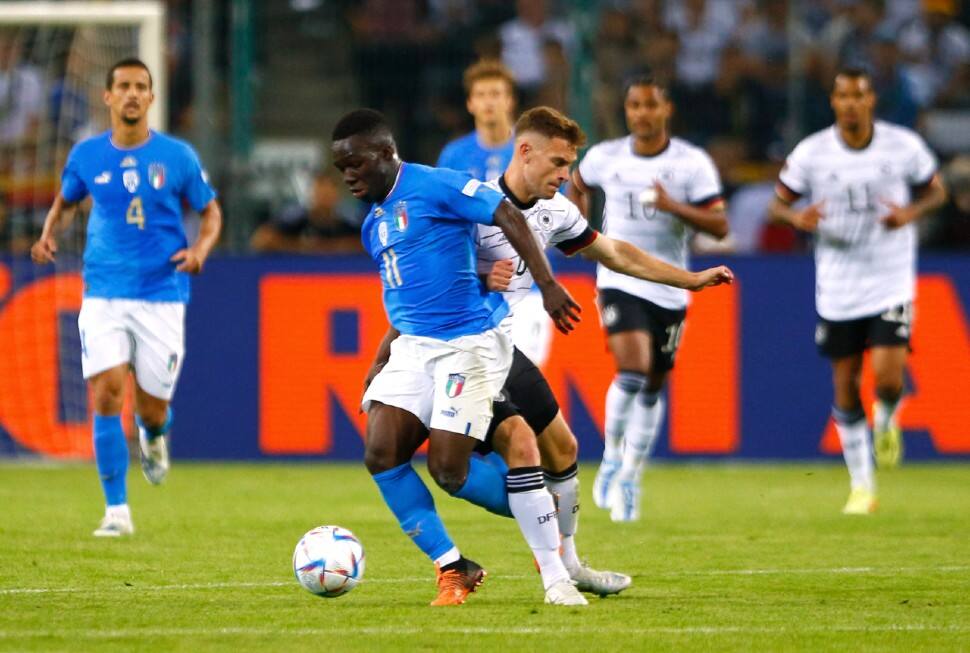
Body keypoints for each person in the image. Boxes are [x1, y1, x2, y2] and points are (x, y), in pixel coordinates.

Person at [331, 108, 588, 606]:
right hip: (414, 348)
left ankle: (545, 531)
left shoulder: (435, 185)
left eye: (355, 163)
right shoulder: (374, 225)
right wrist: (380, 361)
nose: (348, 176)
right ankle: (455, 566)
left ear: (385, 153)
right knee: (381, 453)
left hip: (468, 343)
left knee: (450, 470)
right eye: (340, 167)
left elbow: (506, 212)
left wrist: (549, 283)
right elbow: (406, 303)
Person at [475, 107, 731, 588]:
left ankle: (569, 566)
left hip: (502, 348)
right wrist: (479, 277)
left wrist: (690, 279)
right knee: (480, 460)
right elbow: (428, 278)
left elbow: (615, 252)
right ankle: (522, 568)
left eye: (570, 165)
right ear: (525, 151)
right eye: (557, 163)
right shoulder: (474, 206)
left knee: (564, 449)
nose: (566, 175)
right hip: (461, 351)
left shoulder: (555, 210)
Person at [30, 58, 222, 536]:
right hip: (104, 292)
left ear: (152, 98)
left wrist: (199, 248)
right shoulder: (87, 155)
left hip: (162, 293)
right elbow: (66, 201)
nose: (133, 94)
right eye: (124, 86)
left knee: (151, 407)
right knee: (108, 391)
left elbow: (211, 211)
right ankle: (117, 510)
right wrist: (49, 234)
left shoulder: (177, 156)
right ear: (108, 97)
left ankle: (155, 434)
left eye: (141, 87)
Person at [769, 68, 946, 514]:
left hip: (890, 278)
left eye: (859, 95)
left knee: (887, 377)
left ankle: (887, 416)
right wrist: (797, 219)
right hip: (838, 283)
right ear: (833, 101)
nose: (851, 103)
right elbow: (778, 204)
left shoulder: (902, 146)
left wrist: (911, 213)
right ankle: (862, 486)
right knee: (845, 382)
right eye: (843, 96)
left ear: (871, 101)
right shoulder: (812, 153)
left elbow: (937, 192)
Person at [569, 76, 730, 522]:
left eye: (649, 105)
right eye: (634, 105)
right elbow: (576, 184)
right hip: (619, 276)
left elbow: (719, 226)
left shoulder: (691, 163)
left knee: (654, 384)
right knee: (633, 368)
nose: (641, 113)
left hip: (671, 284)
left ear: (666, 110)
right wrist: (581, 232)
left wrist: (673, 206)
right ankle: (611, 459)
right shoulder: (606, 157)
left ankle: (632, 475)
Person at [436, 59, 516, 183]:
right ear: (470, 104)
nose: (488, 102)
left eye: (495, 94)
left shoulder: (533, 152)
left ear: (510, 101)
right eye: (480, 95)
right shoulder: (453, 156)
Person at [249, 171, 363, 254]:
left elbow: (371, 244)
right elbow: (260, 241)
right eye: (320, 193)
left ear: (337, 195)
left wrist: (333, 247)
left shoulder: (350, 221)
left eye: (328, 193)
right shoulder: (295, 219)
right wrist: (303, 247)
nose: (324, 199)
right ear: (312, 195)